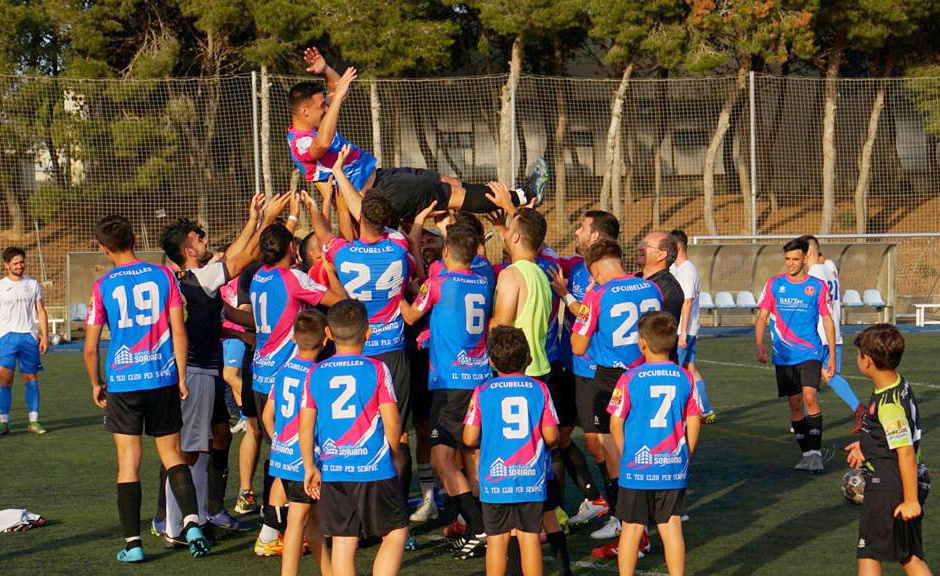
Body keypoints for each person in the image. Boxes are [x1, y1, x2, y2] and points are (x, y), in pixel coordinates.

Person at [290, 48, 548, 224]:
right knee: (451, 196)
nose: (326, 107)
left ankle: (520, 196)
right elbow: (322, 144)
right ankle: (524, 196)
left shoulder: (317, 121)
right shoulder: (300, 142)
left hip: (381, 177)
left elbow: (337, 90)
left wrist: (325, 70)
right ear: (303, 111)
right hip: (376, 195)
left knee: (450, 182)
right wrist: (334, 97)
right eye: (321, 106)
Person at [154, 194, 283, 541]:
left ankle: (200, 513)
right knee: (189, 451)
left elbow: (233, 256)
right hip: (196, 371)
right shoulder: (200, 278)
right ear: (187, 248)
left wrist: (254, 219)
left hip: (201, 371)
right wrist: (262, 221)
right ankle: (175, 524)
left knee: (208, 442)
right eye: (199, 238)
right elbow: (239, 260)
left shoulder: (191, 279)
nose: (206, 241)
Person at [83, 215, 210, 562]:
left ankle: (133, 544)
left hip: (123, 383)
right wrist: (181, 376)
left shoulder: (103, 286)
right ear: (135, 239)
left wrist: (97, 382)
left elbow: (91, 346)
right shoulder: (164, 274)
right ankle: (193, 524)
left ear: (104, 249)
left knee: (128, 462)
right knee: (171, 454)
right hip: (163, 377)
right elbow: (179, 330)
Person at [307, 187, 415, 511]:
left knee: (358, 433)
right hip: (393, 352)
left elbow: (323, 231)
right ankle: (395, 507)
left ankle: (356, 509)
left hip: (359, 353)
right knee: (400, 435)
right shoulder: (399, 247)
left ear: (360, 218)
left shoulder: (343, 253)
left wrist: (316, 204)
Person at [250, 221, 345, 555]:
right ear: (291, 248)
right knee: (301, 454)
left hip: (263, 374)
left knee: (279, 455)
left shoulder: (259, 277)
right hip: (290, 375)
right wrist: (331, 272)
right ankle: (286, 526)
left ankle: (270, 530)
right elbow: (338, 303)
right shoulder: (293, 277)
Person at [400, 225, 492, 558]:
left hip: (452, 382)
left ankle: (479, 525)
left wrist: (395, 291)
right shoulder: (482, 282)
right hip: (478, 378)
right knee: (467, 456)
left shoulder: (438, 283)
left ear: (446, 253)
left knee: (442, 460)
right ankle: (478, 523)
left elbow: (411, 315)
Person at [300, 299, 409, 576]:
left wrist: (310, 466)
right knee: (395, 532)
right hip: (374, 466)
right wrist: (393, 454)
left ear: (328, 334)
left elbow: (305, 426)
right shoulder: (377, 369)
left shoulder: (315, 373)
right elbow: (392, 422)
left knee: (343, 541)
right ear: (368, 332)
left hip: (334, 470)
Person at [570, 238, 662, 553]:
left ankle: (634, 531)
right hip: (645, 375)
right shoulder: (652, 289)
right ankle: (636, 526)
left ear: (594, 268)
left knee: (616, 454)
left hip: (610, 379)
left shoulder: (597, 294)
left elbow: (578, 347)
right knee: (640, 450)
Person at [608, 311, 701, 575]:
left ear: (642, 343)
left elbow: (615, 422)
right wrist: (687, 453)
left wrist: (627, 454)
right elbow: (693, 421)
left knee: (632, 528)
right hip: (673, 465)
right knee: (671, 527)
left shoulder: (629, 378)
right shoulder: (685, 377)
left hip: (637, 467)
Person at [462, 325, 560, 576]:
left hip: (496, 480)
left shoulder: (482, 391)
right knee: (529, 539)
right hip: (531, 477)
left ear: (491, 361)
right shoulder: (540, 389)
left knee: (497, 540)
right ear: (528, 358)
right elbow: (551, 436)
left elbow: (469, 437)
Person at [549, 211, 620, 527]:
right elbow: (543, 253)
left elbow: (589, 315)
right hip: (571, 366)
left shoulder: (605, 275)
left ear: (595, 235)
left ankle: (619, 510)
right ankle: (598, 500)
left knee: (600, 442)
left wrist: (565, 296)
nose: (576, 231)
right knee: (565, 436)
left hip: (594, 370)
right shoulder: (576, 265)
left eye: (582, 227)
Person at [844, 324, 932, 576]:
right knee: (909, 556)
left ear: (868, 362)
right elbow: (891, 435)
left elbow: (904, 450)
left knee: (869, 553)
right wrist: (867, 445)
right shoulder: (896, 383)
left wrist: (911, 500)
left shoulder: (888, 404)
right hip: (897, 481)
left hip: (889, 486)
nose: (857, 358)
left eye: (859, 353)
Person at [755, 237, 836, 473]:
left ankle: (816, 453)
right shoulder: (774, 285)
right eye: (787, 259)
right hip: (783, 355)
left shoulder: (817, 287)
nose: (790, 264)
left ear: (805, 258)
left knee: (810, 397)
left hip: (811, 351)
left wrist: (830, 354)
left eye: (795, 259)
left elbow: (828, 320)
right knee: (795, 404)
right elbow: (761, 317)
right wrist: (759, 343)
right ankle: (807, 453)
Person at [262, 310, 332, 576]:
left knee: (311, 521)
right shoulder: (319, 375)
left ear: (293, 337)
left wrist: (280, 442)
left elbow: (268, 415)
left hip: (284, 457)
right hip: (305, 461)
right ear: (326, 338)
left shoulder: (283, 372)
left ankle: (329, 571)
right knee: (297, 523)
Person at [800, 235, 866, 432]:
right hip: (833, 333)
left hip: (818, 334)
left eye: (800, 254)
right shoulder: (830, 270)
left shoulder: (813, 274)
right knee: (825, 376)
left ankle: (858, 408)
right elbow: (827, 261)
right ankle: (804, 420)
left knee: (814, 376)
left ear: (808, 253)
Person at [0, 247, 49, 435]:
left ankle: (33, 421)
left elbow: (41, 311)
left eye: (22, 262)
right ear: (6, 265)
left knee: (31, 378)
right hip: (6, 337)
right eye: (15, 263)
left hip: (28, 337)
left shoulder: (32, 284)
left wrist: (44, 335)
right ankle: (4, 422)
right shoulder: (1, 286)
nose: (20, 266)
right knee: (5, 380)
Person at [669, 230, 715, 424]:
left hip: (683, 331)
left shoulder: (687, 270)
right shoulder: (675, 269)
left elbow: (687, 303)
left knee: (676, 372)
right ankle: (705, 410)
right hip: (683, 330)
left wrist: (683, 334)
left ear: (678, 246)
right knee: (690, 369)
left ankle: (680, 415)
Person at [635, 232, 684, 362]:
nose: (639, 247)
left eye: (646, 245)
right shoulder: (634, 280)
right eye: (641, 243)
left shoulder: (669, 289)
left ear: (661, 255)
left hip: (652, 366)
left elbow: (661, 333)